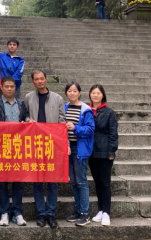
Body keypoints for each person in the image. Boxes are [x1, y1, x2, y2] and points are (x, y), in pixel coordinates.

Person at [24, 70, 65, 228]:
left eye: (42, 78)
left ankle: (51, 213)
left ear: (46, 80)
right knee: (37, 181)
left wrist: (64, 144)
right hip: (35, 145)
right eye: (37, 79)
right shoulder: (28, 97)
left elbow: (62, 122)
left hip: (52, 145)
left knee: (52, 181)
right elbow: (25, 115)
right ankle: (41, 213)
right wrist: (28, 120)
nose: (40, 81)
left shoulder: (57, 98)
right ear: (33, 81)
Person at [0, 76, 27, 227]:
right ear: (1, 87)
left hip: (18, 147)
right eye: (7, 86)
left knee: (18, 181)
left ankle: (17, 212)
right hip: (2, 147)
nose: (10, 89)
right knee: (2, 181)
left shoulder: (21, 103)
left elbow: (26, 118)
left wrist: (27, 122)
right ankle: (4, 212)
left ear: (15, 87)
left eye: (12, 86)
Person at [64, 81, 95, 227]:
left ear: (80, 93)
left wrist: (75, 128)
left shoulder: (85, 109)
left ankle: (85, 213)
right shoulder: (64, 107)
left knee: (81, 181)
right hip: (67, 148)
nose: (72, 93)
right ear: (66, 93)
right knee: (73, 181)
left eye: (75, 91)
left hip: (80, 149)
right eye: (69, 91)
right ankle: (77, 210)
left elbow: (90, 129)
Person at [88, 84, 118, 226]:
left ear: (103, 95)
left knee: (105, 183)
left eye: (98, 93)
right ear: (90, 95)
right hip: (91, 152)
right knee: (97, 182)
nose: (95, 95)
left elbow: (113, 133)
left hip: (105, 151)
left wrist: (112, 151)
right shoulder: (86, 110)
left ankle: (106, 212)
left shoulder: (109, 112)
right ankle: (100, 209)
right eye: (93, 93)